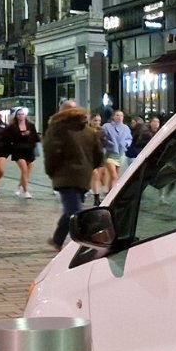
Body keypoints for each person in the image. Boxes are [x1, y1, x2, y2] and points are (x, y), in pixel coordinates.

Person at [43, 104, 104, 251]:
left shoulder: (57, 129)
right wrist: (88, 168)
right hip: (82, 177)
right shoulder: (90, 131)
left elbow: (51, 153)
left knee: (73, 212)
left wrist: (51, 171)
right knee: (73, 209)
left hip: (64, 176)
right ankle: (59, 240)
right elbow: (99, 156)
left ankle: (84, 243)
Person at [1, 108, 41, 199]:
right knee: (24, 170)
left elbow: (35, 138)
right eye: (19, 114)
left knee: (27, 172)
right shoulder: (12, 126)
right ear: (16, 116)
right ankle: (26, 191)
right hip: (17, 150)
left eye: (22, 114)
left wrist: (32, 135)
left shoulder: (30, 125)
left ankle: (19, 186)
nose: (21, 116)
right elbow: (7, 138)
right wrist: (20, 135)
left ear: (25, 115)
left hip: (29, 150)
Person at [100, 109, 132, 205]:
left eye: (121, 115)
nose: (119, 117)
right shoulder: (106, 126)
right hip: (110, 154)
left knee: (116, 176)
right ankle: (111, 197)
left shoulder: (126, 128)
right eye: (117, 115)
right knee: (113, 175)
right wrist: (109, 143)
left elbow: (129, 138)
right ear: (113, 117)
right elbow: (102, 137)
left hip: (121, 154)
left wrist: (126, 144)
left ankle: (110, 193)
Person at [88, 113, 105, 203]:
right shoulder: (86, 130)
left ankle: (96, 198)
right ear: (90, 120)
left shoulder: (101, 131)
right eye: (95, 120)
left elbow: (104, 142)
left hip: (99, 156)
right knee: (94, 175)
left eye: (99, 121)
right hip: (88, 156)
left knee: (97, 177)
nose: (97, 122)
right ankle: (95, 197)